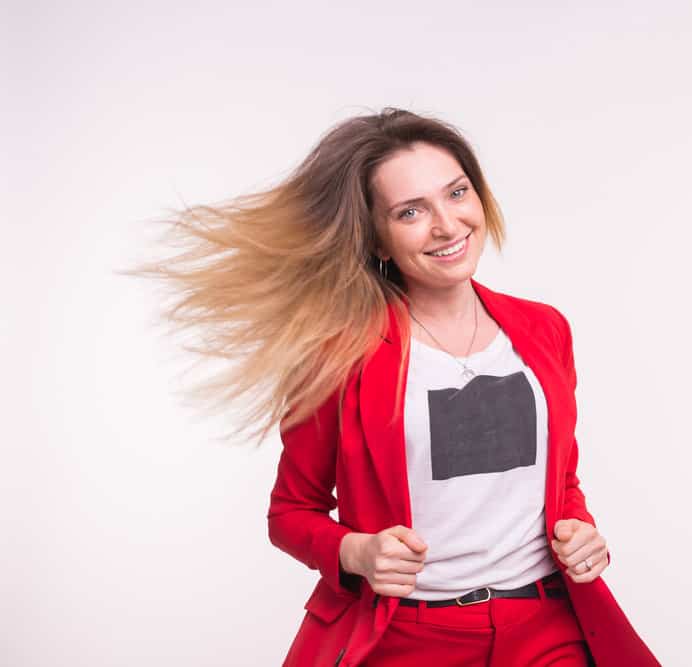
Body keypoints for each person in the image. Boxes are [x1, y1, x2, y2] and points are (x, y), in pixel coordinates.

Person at [134, 108, 659, 666]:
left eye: (457, 193)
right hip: (410, 639)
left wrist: (581, 530)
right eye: (411, 211)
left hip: (545, 629)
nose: (446, 225)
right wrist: (356, 551)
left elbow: (561, 480)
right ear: (379, 240)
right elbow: (290, 512)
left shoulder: (544, 329)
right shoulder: (338, 356)